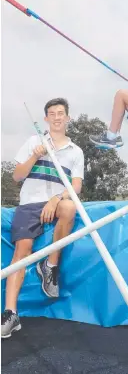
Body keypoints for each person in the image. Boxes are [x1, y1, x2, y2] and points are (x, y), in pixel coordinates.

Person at [1, 98, 84, 339]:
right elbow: (17, 176)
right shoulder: (33, 142)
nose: (57, 117)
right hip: (29, 204)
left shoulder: (75, 151)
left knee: (69, 207)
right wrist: (34, 157)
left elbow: (76, 186)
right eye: (52, 113)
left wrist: (56, 198)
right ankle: (10, 313)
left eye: (61, 113)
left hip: (57, 201)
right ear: (46, 119)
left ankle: (49, 265)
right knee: (21, 252)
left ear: (67, 118)